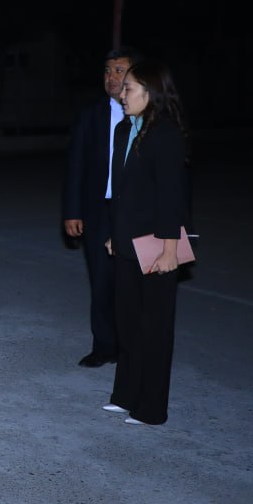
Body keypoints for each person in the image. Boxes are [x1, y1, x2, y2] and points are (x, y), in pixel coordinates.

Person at [103, 59, 190, 426]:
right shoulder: (125, 129)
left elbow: (172, 195)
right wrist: (114, 232)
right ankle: (125, 396)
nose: (123, 94)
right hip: (127, 241)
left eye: (130, 88)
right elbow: (121, 191)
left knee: (154, 328)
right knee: (127, 322)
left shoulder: (165, 134)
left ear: (150, 93)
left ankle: (152, 409)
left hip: (156, 244)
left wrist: (170, 249)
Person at [63, 48, 135, 367]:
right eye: (107, 70)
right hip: (99, 211)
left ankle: (133, 347)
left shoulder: (148, 117)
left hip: (136, 211)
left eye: (119, 70)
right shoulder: (91, 115)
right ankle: (104, 346)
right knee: (102, 280)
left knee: (133, 282)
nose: (111, 77)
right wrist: (72, 210)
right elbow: (75, 164)